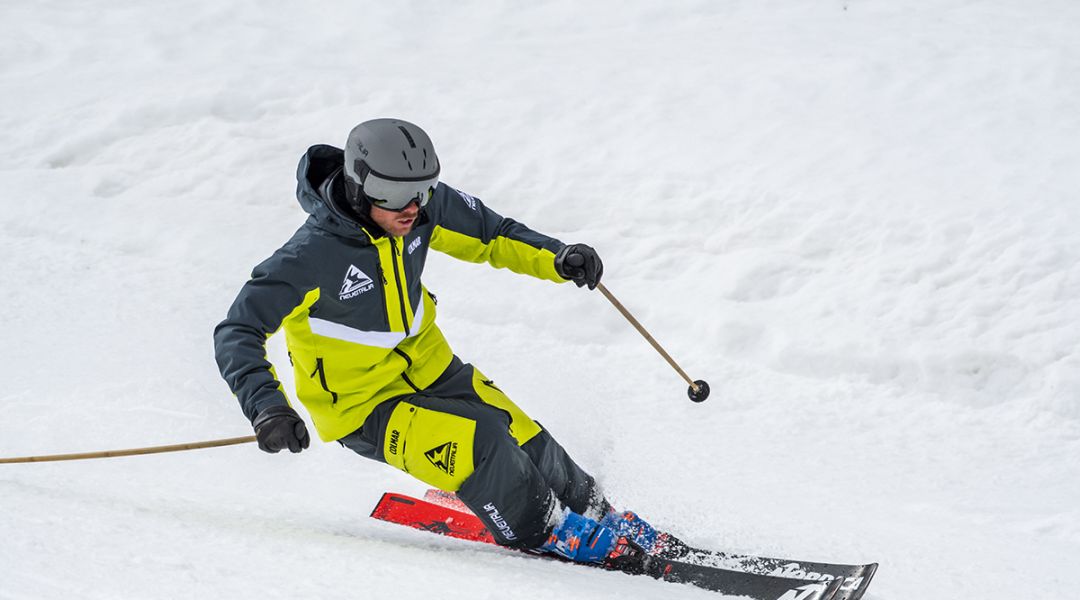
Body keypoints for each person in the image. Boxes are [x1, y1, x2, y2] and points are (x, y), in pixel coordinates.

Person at [213, 118, 660, 567]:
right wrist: (267, 407)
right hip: (363, 407)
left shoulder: (418, 210)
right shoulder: (307, 258)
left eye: (423, 189)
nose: (411, 208)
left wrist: (558, 258)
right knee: (481, 441)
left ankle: (598, 514)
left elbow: (493, 235)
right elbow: (239, 331)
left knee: (522, 432)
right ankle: (548, 529)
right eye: (392, 194)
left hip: (434, 366)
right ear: (358, 185)